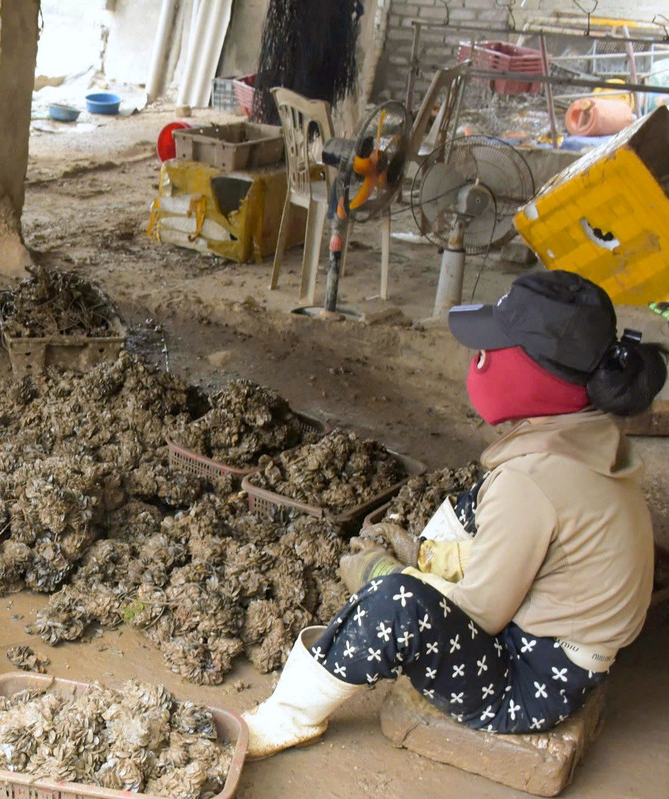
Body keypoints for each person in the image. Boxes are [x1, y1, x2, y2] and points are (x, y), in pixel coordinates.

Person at [243, 270, 664, 757]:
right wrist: (431, 557)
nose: (478, 360)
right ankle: (433, 559)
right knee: (479, 493)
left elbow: (479, 614)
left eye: (490, 351)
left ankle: (285, 718)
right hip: (566, 647)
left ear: (536, 376)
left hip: (532, 685)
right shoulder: (586, 437)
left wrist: (389, 574)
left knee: (395, 605)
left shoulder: (530, 483)